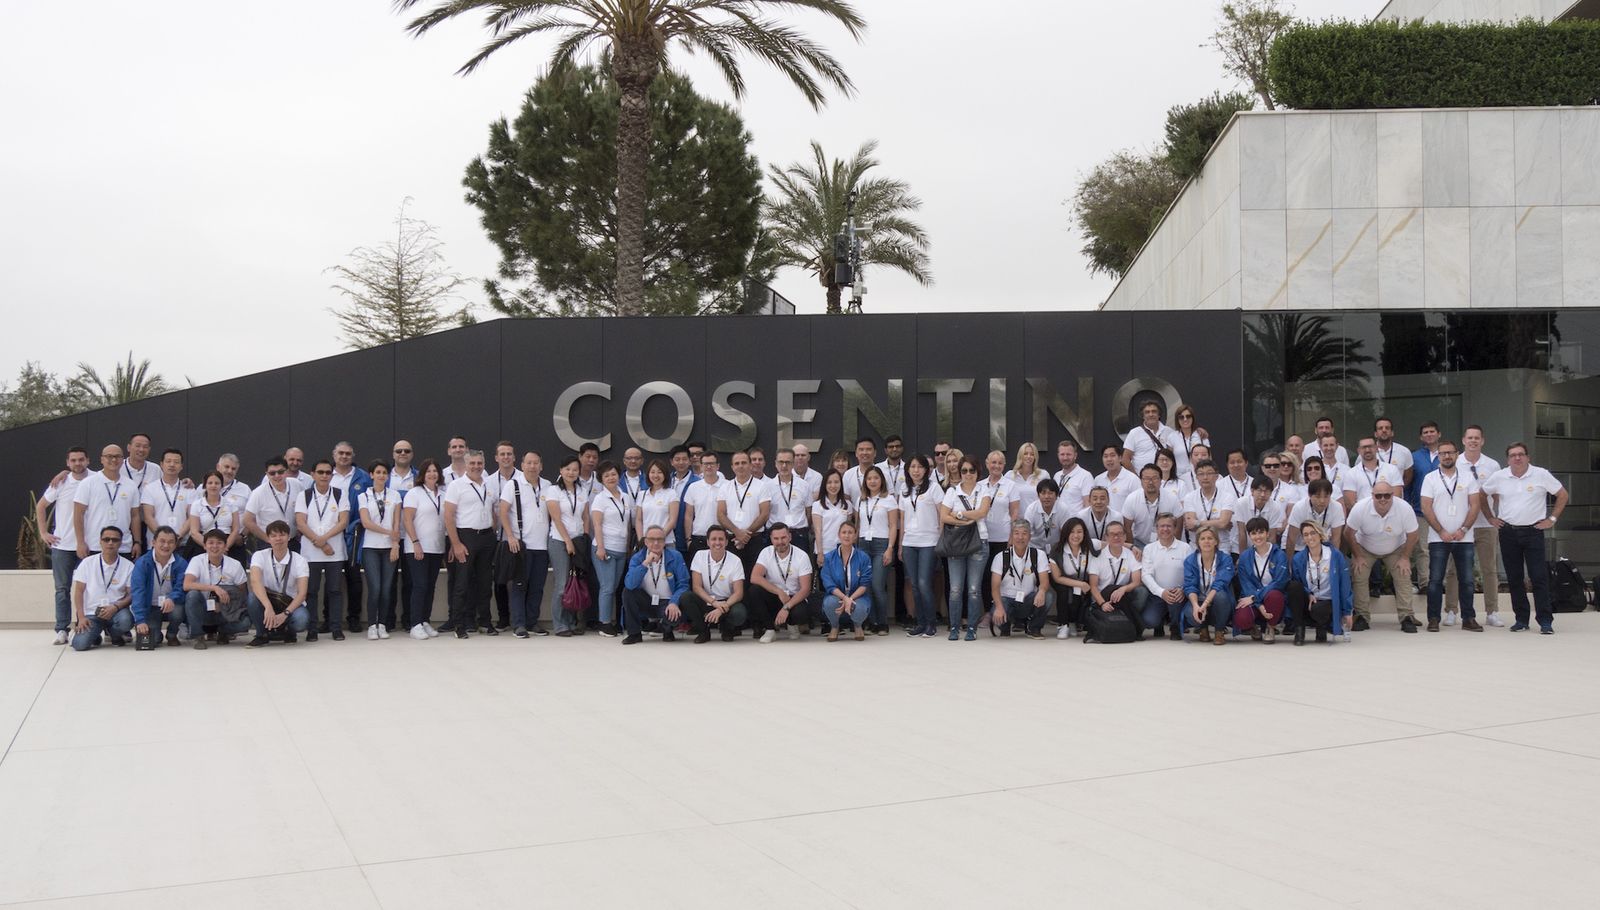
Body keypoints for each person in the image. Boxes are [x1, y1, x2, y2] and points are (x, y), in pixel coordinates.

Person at [1481, 442, 1569, 634]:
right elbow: (1482, 494)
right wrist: (1490, 517)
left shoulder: (1541, 474)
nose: (1517, 458)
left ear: (1528, 457)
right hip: (1508, 532)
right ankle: (1521, 619)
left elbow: (1562, 495)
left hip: (1533, 531)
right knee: (1514, 578)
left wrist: (1551, 519)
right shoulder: (1500, 476)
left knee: (1539, 577)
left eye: (1521, 454)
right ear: (1508, 459)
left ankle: (1545, 621)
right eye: (1513, 455)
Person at [1420, 439, 1482, 632]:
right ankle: (1433, 619)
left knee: (1467, 580)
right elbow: (1426, 507)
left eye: (1450, 452)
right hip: (1439, 538)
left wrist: (1463, 529)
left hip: (1464, 538)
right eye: (1443, 453)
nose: (1447, 456)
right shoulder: (1430, 478)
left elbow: (1475, 505)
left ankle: (1468, 618)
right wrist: (1442, 531)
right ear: (1438, 456)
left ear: (1457, 454)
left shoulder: (1468, 478)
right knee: (1436, 580)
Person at [1347, 481, 1421, 633]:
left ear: (1393, 495)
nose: (1383, 499)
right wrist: (1358, 556)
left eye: (1387, 495)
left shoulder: (1404, 508)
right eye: (1378, 495)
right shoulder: (1360, 508)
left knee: (1403, 575)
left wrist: (1405, 557)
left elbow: (1413, 534)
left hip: (1395, 548)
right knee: (1359, 575)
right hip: (1365, 548)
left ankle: (1406, 616)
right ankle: (1361, 616)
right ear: (1372, 496)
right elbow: (1348, 533)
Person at [442, 449, 497, 639]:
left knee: (484, 582)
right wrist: (456, 543)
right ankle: (460, 624)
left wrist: (493, 531)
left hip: (487, 536)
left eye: (479, 463)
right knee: (462, 583)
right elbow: (448, 516)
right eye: (472, 463)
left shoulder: (489, 485)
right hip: (466, 536)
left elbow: (493, 510)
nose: (476, 467)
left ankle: (484, 621)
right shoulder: (456, 486)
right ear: (466, 465)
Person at [38, 446, 91, 645]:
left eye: (81, 459)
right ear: (68, 463)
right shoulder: (60, 482)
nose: (78, 463)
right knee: (62, 589)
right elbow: (41, 506)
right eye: (73, 460)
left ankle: (84, 626)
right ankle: (61, 629)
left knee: (87, 589)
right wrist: (44, 533)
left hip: (87, 545)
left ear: (88, 460)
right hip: (62, 545)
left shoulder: (95, 479)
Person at [499, 449, 552, 638]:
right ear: (522, 465)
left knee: (537, 587)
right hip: (521, 546)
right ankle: (519, 624)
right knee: (519, 586)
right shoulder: (513, 485)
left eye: (536, 463)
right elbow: (503, 512)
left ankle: (532, 622)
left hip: (542, 547)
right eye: (528, 463)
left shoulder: (547, 486)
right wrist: (511, 536)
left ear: (541, 465)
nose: (532, 466)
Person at [939, 455, 992, 640]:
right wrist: (966, 521)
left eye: (972, 470)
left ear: (978, 472)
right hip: (956, 543)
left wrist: (959, 514)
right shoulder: (952, 492)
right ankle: (954, 627)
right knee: (955, 588)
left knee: (973, 589)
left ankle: (972, 628)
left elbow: (982, 512)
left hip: (979, 542)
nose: (968, 474)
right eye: (964, 471)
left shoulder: (984, 490)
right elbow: (944, 516)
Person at [295, 459, 349, 641]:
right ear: (312, 474)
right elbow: (300, 523)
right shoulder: (305, 495)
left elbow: (343, 521)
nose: (324, 475)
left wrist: (324, 540)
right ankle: (312, 629)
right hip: (310, 553)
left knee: (334, 590)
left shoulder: (340, 494)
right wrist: (317, 541)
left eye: (328, 472)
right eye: (320, 472)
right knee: (311, 591)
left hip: (334, 551)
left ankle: (335, 628)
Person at [1455, 425, 1502, 625]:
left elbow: (1498, 494)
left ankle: (1492, 612)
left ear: (1482, 441)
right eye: (1470, 437)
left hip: (1485, 524)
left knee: (1489, 569)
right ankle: (1451, 611)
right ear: (1463, 440)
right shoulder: (1454, 462)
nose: (1473, 441)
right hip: (1460, 524)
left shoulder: (1492, 465)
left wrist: (1494, 516)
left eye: (1477, 438)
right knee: (1454, 570)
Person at [546, 455, 593, 637]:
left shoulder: (582, 491)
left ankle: (572, 622)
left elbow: (586, 516)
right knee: (562, 584)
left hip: (579, 541)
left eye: (575, 469)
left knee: (577, 582)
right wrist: (567, 541)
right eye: (567, 469)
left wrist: (584, 537)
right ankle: (560, 624)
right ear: (561, 470)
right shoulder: (553, 491)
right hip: (559, 541)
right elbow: (556, 518)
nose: (571, 472)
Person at [328, 442, 373, 633]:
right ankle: (329, 619)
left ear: (353, 456)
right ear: (334, 454)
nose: (344, 456)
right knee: (332, 579)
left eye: (348, 454)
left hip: (355, 534)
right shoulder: (326, 475)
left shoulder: (363, 477)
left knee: (354, 578)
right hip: (331, 534)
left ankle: (354, 618)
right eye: (341, 453)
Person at [620, 525, 690, 644]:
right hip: (647, 601)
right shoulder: (638, 558)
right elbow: (630, 584)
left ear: (665, 542)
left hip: (667, 602)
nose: (656, 543)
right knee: (628, 592)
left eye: (660, 539)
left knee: (679, 610)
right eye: (652, 540)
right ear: (646, 542)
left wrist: (674, 602)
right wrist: (646, 563)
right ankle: (634, 634)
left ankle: (666, 629)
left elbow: (683, 584)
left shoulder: (675, 556)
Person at [245, 521, 311, 647]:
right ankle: (261, 634)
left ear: (289, 537)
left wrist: (285, 614)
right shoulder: (259, 556)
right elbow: (255, 581)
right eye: (274, 536)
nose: (278, 539)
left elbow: (302, 594)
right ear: (268, 539)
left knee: (301, 620)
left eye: (282, 535)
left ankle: (289, 632)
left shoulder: (299, 560)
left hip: (290, 603)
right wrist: (268, 607)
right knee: (252, 598)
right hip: (268, 600)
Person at [183, 529, 251, 649]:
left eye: (219, 543)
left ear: (225, 546)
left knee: (245, 623)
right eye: (211, 543)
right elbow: (187, 584)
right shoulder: (197, 561)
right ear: (204, 546)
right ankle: (198, 636)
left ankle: (223, 632)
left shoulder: (235, 565)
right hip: (203, 610)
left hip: (226, 613)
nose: (215, 546)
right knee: (192, 595)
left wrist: (226, 607)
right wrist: (214, 588)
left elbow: (242, 593)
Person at [69, 525, 135, 651]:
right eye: (106, 539)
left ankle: (114, 634)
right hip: (92, 613)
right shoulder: (87, 563)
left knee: (126, 620)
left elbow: (131, 594)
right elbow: (78, 592)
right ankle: (95, 635)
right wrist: (81, 617)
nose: (110, 543)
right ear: (100, 541)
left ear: (121, 543)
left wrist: (115, 607)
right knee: (79, 645)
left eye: (115, 540)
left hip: (116, 612)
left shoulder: (128, 566)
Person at [745, 523, 814, 642]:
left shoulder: (801, 556)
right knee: (754, 591)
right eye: (776, 538)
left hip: (794, 598)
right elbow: (755, 577)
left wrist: (786, 607)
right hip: (775, 595)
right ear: (771, 539)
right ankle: (770, 629)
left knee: (800, 613)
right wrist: (779, 591)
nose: (780, 542)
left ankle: (792, 624)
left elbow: (805, 589)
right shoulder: (766, 552)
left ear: (790, 537)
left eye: (783, 538)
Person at [357, 461, 402, 640]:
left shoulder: (395, 495)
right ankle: (371, 625)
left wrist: (395, 543)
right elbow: (366, 523)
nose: (381, 475)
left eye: (384, 472)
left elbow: (397, 522)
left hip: (389, 547)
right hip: (371, 548)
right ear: (371, 475)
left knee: (386, 588)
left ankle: (382, 624)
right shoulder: (364, 496)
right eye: (378, 472)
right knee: (374, 587)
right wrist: (388, 532)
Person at [1288, 521, 1353, 645]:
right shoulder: (1298, 558)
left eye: (1313, 533)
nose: (1310, 537)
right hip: (1309, 601)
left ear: (1320, 535)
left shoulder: (1335, 556)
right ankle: (1299, 630)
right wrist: (1308, 594)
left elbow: (1345, 585)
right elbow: (1297, 583)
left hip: (1327, 602)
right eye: (1305, 534)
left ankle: (1322, 626)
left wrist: (1347, 611)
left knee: (1318, 609)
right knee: (1293, 587)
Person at [402, 460, 447, 639]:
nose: (432, 474)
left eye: (435, 471)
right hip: (417, 547)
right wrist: (415, 542)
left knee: (430, 586)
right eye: (428, 471)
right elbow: (407, 520)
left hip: (436, 547)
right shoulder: (414, 493)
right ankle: (414, 624)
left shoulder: (443, 494)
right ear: (422, 474)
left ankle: (424, 620)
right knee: (419, 585)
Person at [897, 454, 941, 638]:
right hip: (909, 542)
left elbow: (942, 514)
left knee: (923, 583)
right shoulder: (904, 489)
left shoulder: (934, 488)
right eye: (912, 466)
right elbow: (902, 518)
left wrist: (941, 538)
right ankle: (920, 623)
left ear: (926, 470)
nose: (916, 470)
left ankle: (931, 623)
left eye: (919, 467)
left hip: (928, 542)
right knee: (914, 584)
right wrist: (900, 546)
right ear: (908, 470)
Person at [990, 520, 1056, 639]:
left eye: (1024, 533)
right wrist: (999, 607)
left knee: (1048, 595)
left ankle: (1034, 628)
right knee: (997, 607)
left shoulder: (1038, 555)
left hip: (1028, 599)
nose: (1020, 537)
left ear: (1030, 536)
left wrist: (1041, 591)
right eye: (1016, 533)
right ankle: (1005, 628)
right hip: (1007, 600)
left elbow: (1045, 582)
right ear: (1011, 536)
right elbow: (994, 588)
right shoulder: (1001, 557)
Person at [590, 460, 633, 638]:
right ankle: (604, 623)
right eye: (606, 475)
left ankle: (611, 621)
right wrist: (600, 547)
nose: (610, 478)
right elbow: (597, 525)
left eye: (613, 474)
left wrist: (629, 546)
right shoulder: (600, 499)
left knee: (614, 587)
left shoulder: (626, 496)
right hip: (604, 548)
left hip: (621, 549)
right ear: (601, 479)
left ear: (619, 476)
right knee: (607, 587)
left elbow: (629, 523)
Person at [681, 526, 746, 643]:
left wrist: (722, 608)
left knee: (739, 613)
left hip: (727, 602)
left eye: (721, 539)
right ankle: (703, 631)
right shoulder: (699, 556)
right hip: (706, 600)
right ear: (707, 542)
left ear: (726, 542)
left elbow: (738, 593)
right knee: (686, 597)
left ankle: (727, 628)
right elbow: (696, 587)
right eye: (713, 539)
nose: (717, 542)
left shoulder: (735, 560)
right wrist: (714, 603)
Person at [855, 465, 899, 636]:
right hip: (863, 544)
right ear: (865, 482)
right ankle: (870, 621)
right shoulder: (861, 500)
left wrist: (890, 548)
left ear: (882, 480)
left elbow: (893, 525)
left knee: (878, 585)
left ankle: (882, 622)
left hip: (882, 544)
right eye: (869, 478)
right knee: (865, 585)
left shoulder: (889, 499)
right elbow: (858, 525)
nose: (873, 481)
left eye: (876, 478)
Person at [128, 525, 189, 647]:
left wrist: (172, 598)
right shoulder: (142, 563)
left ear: (176, 544)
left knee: (178, 611)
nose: (166, 545)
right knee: (154, 640)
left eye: (171, 542)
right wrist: (140, 620)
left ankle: (172, 634)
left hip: (171, 605)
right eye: (162, 541)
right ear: (153, 542)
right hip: (151, 607)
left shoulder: (181, 563)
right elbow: (138, 592)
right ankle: (157, 633)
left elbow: (181, 587)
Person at [481, 441, 520, 631]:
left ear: (514, 457)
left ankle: (519, 617)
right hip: (494, 537)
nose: (506, 457)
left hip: (517, 537)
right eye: (502, 454)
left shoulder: (523, 478)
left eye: (509, 454)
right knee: (499, 579)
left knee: (517, 578)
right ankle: (503, 618)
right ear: (496, 458)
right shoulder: (487, 482)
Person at [73, 445, 137, 560]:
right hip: (94, 545)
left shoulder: (131, 485)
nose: (113, 460)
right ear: (102, 459)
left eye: (117, 456)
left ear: (123, 460)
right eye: (109, 456)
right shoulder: (88, 483)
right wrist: (80, 542)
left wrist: (137, 542)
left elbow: (135, 515)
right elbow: (78, 514)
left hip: (124, 546)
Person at [977, 450, 1018, 618]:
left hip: (1003, 539)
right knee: (986, 576)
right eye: (993, 462)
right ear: (987, 464)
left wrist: (1011, 537)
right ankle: (988, 612)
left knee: (1004, 577)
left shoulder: (1010, 485)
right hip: (983, 538)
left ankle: (1005, 612)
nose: (996, 466)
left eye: (1000, 463)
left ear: (1004, 465)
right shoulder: (979, 485)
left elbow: (1014, 513)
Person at [1088, 521, 1146, 640]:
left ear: (1125, 536)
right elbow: (1093, 586)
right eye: (1112, 534)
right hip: (1102, 597)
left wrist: (1123, 589)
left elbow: (1137, 581)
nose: (1116, 537)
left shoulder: (1130, 555)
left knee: (1141, 592)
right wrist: (1102, 603)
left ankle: (1128, 623)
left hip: (1122, 596)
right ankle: (1136, 626)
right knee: (1111, 588)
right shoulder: (1098, 557)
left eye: (1120, 534)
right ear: (1106, 537)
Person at [1234, 517, 1289, 643]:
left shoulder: (1279, 555)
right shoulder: (1244, 557)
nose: (1257, 536)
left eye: (1261, 532)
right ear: (1249, 536)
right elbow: (1246, 584)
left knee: (1275, 595)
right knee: (1241, 619)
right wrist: (1258, 603)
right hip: (1252, 597)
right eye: (1253, 533)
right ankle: (1253, 627)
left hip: (1271, 597)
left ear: (1267, 533)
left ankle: (1270, 627)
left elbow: (1279, 582)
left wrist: (1255, 598)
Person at [718, 450, 771, 581]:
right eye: (737, 463)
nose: (740, 466)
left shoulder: (762, 486)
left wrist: (746, 534)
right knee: (734, 579)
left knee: (754, 579)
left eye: (744, 462)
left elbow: (765, 513)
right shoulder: (725, 487)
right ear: (732, 467)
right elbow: (720, 514)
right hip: (732, 540)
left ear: (750, 465)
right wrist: (737, 533)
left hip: (755, 540)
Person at [819, 519, 873, 641]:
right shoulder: (829, 558)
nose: (847, 535)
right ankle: (834, 626)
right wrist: (844, 598)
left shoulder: (863, 557)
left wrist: (850, 599)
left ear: (855, 535)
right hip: (837, 596)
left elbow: (864, 584)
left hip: (857, 597)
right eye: (844, 532)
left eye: (850, 532)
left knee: (860, 608)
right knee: (829, 603)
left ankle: (858, 625)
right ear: (839, 535)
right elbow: (829, 584)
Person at [1139, 513, 1191, 639]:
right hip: (1157, 594)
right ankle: (1159, 623)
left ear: (1174, 528)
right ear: (1156, 528)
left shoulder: (1186, 548)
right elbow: (1146, 575)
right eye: (1162, 526)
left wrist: (1183, 589)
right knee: (1149, 621)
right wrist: (1161, 592)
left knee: (1175, 603)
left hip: (1178, 593)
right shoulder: (1149, 549)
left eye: (1169, 526)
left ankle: (1176, 626)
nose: (1165, 529)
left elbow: (1191, 574)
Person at [1182, 527, 1235, 645]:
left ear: (1216, 541)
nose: (1206, 541)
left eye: (1210, 538)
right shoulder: (1190, 561)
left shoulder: (1226, 559)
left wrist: (1205, 604)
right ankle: (1203, 629)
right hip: (1199, 599)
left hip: (1216, 599)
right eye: (1203, 538)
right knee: (1191, 614)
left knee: (1221, 596)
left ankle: (1219, 631)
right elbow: (1189, 586)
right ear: (1198, 542)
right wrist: (1196, 606)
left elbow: (1220, 584)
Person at [1049, 517, 1098, 639]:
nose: (1076, 535)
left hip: (1083, 579)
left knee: (1079, 597)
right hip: (1063, 580)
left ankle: (1073, 622)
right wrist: (1079, 584)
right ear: (1066, 533)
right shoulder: (1057, 549)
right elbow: (1057, 578)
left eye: (1079, 532)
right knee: (1064, 592)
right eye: (1072, 532)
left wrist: (1132, 547)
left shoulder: (1091, 545)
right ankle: (1063, 625)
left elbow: (1113, 542)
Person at [142, 449, 195, 557]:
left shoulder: (189, 489)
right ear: (161, 464)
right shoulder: (150, 488)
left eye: (176, 462)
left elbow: (192, 517)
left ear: (181, 466)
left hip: (182, 545)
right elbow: (148, 517)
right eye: (168, 461)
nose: (172, 465)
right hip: (156, 544)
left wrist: (178, 537)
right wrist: (162, 538)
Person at [185, 471, 244, 564]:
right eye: (210, 483)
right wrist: (210, 547)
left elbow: (236, 529)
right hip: (203, 544)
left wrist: (224, 547)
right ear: (205, 485)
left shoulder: (231, 504)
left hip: (228, 545)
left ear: (221, 486)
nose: (213, 486)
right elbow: (194, 532)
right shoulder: (197, 505)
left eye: (217, 483)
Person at [1122, 464, 1182, 548]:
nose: (1150, 482)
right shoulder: (1132, 499)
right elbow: (1127, 528)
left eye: (1154, 478)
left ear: (1161, 480)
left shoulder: (1172, 498)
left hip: (1165, 543)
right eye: (1146, 479)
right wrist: (1132, 548)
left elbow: (1178, 526)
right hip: (1139, 543)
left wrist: (1172, 547)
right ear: (1141, 481)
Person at [766, 450, 812, 559]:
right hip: (776, 536)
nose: (784, 466)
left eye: (788, 462)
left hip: (799, 534)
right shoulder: (767, 486)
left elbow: (808, 511)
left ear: (793, 463)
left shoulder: (804, 485)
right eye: (781, 462)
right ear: (775, 463)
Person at [245, 458, 298, 550]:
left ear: (287, 471)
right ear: (267, 474)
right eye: (272, 473)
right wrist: (268, 539)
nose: (277, 476)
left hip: (292, 541)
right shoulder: (258, 493)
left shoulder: (297, 485)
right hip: (268, 544)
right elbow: (247, 520)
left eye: (280, 472)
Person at [1182, 459, 1234, 553]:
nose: (1205, 477)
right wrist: (1216, 522)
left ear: (1217, 476)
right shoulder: (1189, 497)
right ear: (1196, 477)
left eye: (1209, 473)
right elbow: (1191, 526)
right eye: (1201, 474)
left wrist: (1198, 523)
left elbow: (1223, 523)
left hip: (1221, 546)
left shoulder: (1227, 496)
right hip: (1196, 547)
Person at [1285, 479, 1346, 558]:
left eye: (1326, 496)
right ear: (1309, 495)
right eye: (1317, 496)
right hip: (1299, 546)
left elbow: (1336, 539)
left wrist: (1333, 563)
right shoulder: (1299, 507)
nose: (1322, 501)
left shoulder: (1337, 507)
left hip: (1322, 544)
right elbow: (1291, 538)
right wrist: (1289, 564)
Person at [1343, 436, 1405, 513]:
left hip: (1389, 515)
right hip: (1362, 517)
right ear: (1358, 450)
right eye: (1364, 447)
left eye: (1370, 446)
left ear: (1376, 448)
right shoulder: (1351, 473)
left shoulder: (1392, 469)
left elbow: (1397, 496)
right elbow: (1350, 502)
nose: (1367, 450)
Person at [1121, 401, 1182, 476]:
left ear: (1159, 414)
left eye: (1154, 411)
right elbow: (1125, 459)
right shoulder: (1134, 433)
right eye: (1147, 412)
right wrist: (1137, 478)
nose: (1151, 414)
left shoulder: (1169, 432)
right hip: (1143, 481)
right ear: (1143, 416)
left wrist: (1198, 431)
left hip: (1165, 478)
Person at [682, 451, 724, 560]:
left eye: (712, 463)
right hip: (698, 539)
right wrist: (688, 539)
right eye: (705, 464)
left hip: (721, 539)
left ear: (718, 466)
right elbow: (688, 515)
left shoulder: (727, 486)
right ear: (701, 466)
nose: (709, 466)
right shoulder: (693, 487)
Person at [634, 459, 681, 555]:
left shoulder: (671, 493)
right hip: (646, 544)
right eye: (652, 472)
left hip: (667, 542)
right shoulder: (642, 494)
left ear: (665, 474)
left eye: (659, 472)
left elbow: (672, 520)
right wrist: (641, 540)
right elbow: (639, 520)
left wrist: (659, 538)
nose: (656, 475)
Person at [1233, 477, 1285, 555]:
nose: (1262, 495)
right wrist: (1243, 557)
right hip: (1241, 548)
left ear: (1271, 493)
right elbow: (1242, 533)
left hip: (1264, 549)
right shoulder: (1241, 503)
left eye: (1266, 491)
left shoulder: (1275, 507)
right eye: (1259, 490)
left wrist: (1266, 557)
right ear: (1252, 491)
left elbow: (1271, 536)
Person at [1023, 478, 1072, 554]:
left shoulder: (1063, 508)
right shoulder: (1031, 509)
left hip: (1057, 549)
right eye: (1043, 493)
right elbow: (1026, 533)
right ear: (1038, 495)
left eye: (1050, 493)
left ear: (1056, 495)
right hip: (1034, 548)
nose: (1046, 496)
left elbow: (1066, 533)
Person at [1005, 442, 1049, 515]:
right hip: (1017, 522)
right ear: (1020, 456)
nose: (1029, 456)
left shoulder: (1043, 475)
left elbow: (1048, 499)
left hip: (1037, 520)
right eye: (1025, 454)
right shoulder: (1010, 476)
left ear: (1035, 457)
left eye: (1032, 454)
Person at [1373, 416, 1415, 490]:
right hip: (1373, 497)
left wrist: (1395, 489)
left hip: (1396, 498)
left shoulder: (1404, 452)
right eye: (1380, 428)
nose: (1384, 430)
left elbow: (1408, 477)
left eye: (1387, 428)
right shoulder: (1367, 453)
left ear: (1392, 433)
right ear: (1375, 434)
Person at [1093, 443, 1138, 507]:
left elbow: (1138, 504)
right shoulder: (1098, 479)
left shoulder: (1132, 479)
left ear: (1120, 458)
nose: (1109, 459)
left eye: (1112, 455)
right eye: (1105, 456)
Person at [1052, 440, 1093, 510]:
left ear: (1075, 455)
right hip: (1059, 520)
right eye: (1062, 454)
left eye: (1068, 454)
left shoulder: (1085, 476)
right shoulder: (1057, 476)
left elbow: (1088, 505)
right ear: (1058, 455)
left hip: (1076, 520)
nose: (1065, 458)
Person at [1173, 404, 1210, 475]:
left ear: (1193, 418)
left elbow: (1209, 458)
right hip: (1180, 476)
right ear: (1177, 420)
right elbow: (1170, 460)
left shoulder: (1201, 435)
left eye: (1188, 416)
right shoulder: (1172, 437)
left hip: (1200, 475)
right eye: (1181, 417)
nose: (1185, 419)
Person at [842, 437, 877, 501]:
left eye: (868, 449)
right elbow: (846, 500)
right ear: (856, 453)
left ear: (875, 453)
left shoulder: (884, 473)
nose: (865, 452)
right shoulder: (848, 474)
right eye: (861, 449)